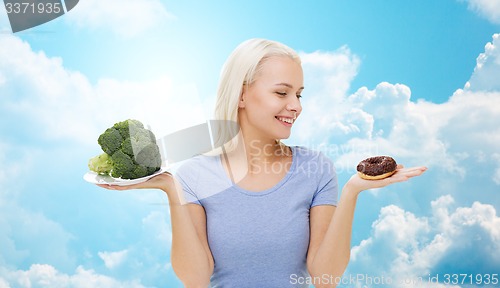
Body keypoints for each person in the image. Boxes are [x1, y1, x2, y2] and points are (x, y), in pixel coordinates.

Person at [99, 39, 427, 288]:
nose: (295, 106)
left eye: (299, 94)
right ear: (242, 96)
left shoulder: (315, 169)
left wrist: (354, 191)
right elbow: (196, 279)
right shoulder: (195, 175)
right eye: (282, 93)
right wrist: (172, 190)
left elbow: (324, 278)